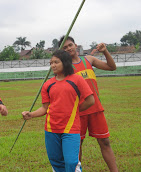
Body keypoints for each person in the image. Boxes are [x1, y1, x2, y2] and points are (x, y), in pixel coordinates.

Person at [22, 50, 95, 172]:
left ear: (65, 62)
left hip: (71, 129)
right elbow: (45, 108)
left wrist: (75, 109)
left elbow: (90, 100)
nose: (53, 65)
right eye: (51, 63)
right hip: (51, 129)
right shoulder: (48, 84)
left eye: (56, 62)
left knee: (71, 162)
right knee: (56, 162)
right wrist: (31, 114)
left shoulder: (77, 80)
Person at [58, 36, 118, 172]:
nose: (68, 49)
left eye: (70, 45)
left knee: (105, 142)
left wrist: (105, 52)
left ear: (75, 45)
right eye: (65, 48)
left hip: (96, 109)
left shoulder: (89, 60)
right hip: (78, 112)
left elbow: (112, 67)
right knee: (76, 146)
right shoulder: (65, 68)